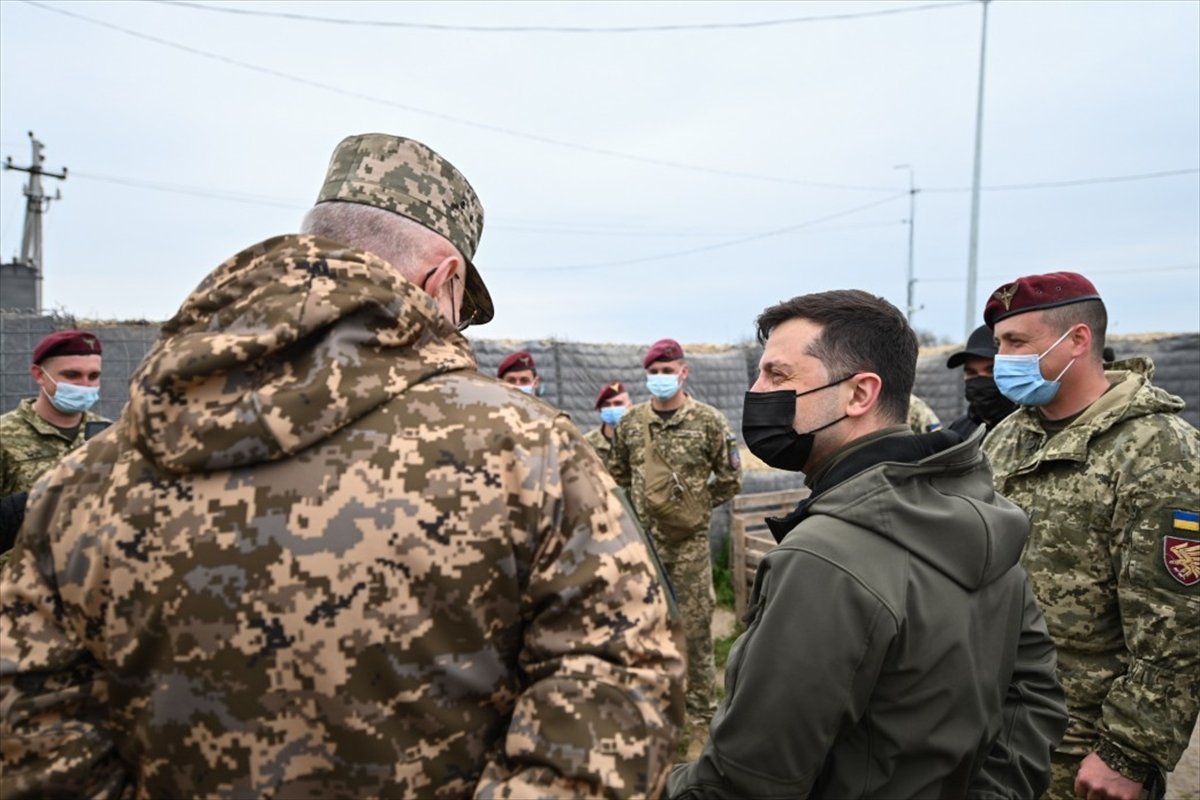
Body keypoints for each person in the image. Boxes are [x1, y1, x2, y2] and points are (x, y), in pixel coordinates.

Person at [0, 133, 685, 799]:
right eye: (461, 310)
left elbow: (28, 729)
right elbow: (619, 698)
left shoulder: (89, 475)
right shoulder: (527, 451)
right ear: (442, 279)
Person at [669, 289, 1067, 799]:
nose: (757, 391)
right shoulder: (983, 516)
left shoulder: (821, 557)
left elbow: (746, 782)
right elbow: (1033, 699)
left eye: (779, 375)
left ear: (860, 394)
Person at [981, 271, 1200, 800]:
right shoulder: (1009, 437)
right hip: (990, 727)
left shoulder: (1158, 449)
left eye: (1016, 343)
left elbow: (1177, 623)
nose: (1001, 360)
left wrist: (1128, 753)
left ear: (1077, 339)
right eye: (998, 345)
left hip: (1082, 751)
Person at [610, 338, 743, 755]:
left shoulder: (707, 421)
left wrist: (694, 506)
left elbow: (730, 477)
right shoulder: (632, 424)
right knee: (641, 628)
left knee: (696, 631)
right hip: (643, 547)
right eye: (655, 371)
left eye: (669, 370)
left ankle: (701, 718)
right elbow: (619, 475)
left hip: (688, 546)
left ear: (684, 372)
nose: (661, 378)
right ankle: (652, 712)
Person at [0, 330, 109, 560]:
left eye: (93, 376)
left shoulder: (111, 435)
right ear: (39, 375)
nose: (84, 385)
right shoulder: (4, 436)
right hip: (20, 586)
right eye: (72, 375)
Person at [945, 324, 1017, 438]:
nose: (980, 380)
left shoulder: (1033, 429)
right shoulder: (958, 431)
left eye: (992, 370)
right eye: (971, 373)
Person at [583, 380, 632, 473]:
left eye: (618, 404)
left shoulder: (641, 438)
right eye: (607, 405)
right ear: (600, 409)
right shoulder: (587, 443)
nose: (612, 408)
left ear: (630, 405)